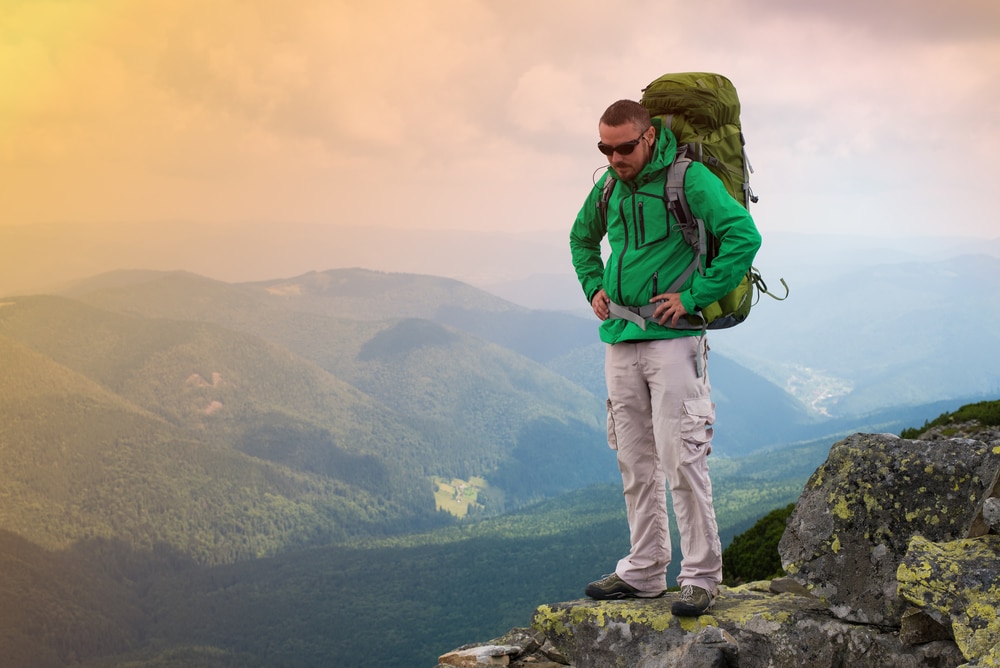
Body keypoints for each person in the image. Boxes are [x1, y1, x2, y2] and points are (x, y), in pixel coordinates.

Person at [569, 99, 761, 616]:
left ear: (649, 136)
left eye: (624, 147)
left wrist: (695, 296)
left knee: (681, 458)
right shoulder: (608, 187)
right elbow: (581, 239)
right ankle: (646, 570)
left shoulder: (688, 179)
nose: (614, 158)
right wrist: (593, 287)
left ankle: (700, 577)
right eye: (605, 148)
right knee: (634, 461)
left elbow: (744, 235)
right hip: (620, 337)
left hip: (674, 340)